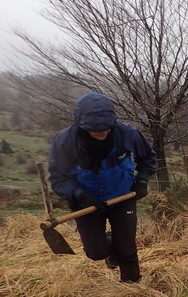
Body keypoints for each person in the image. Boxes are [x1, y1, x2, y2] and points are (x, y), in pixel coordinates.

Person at [49, 92, 157, 283]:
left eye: (106, 127)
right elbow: (58, 179)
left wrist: (141, 181)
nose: (102, 132)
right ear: (81, 124)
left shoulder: (126, 134)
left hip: (122, 197)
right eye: (95, 128)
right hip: (86, 203)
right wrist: (80, 195)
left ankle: (131, 292)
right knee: (95, 252)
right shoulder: (65, 141)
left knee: (126, 249)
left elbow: (148, 157)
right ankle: (109, 241)